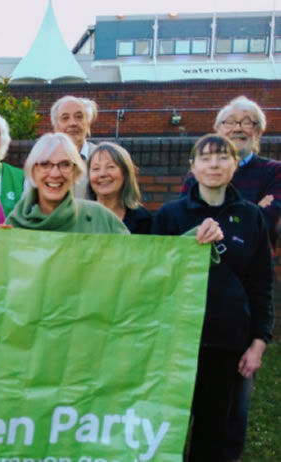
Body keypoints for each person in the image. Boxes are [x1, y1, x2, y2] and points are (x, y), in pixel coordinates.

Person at [153, 134, 273, 462]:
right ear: (192, 166)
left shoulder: (251, 218)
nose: (214, 164)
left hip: (226, 344)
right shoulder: (169, 215)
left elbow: (261, 283)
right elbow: (152, 277)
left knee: (212, 434)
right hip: (174, 343)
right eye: (205, 158)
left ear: (235, 165)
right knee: (164, 430)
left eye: (222, 157)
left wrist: (259, 340)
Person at [181, 96, 281, 247]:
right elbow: (185, 224)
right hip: (203, 264)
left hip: (252, 265)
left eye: (247, 122)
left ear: (259, 132)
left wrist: (212, 224)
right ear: (218, 130)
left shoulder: (275, 171)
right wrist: (253, 210)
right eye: (229, 122)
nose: (237, 128)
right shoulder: (197, 173)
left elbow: (264, 225)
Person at [5, 133, 129, 234]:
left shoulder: (101, 219)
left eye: (65, 164)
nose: (55, 174)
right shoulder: (14, 225)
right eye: (45, 164)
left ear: (75, 172)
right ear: (33, 170)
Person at [87, 142, 152, 234]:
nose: (102, 174)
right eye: (96, 168)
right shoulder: (79, 218)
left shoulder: (143, 220)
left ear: (125, 173)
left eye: (110, 167)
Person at [51, 96, 99, 199]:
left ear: (88, 124)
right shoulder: (43, 160)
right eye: (65, 118)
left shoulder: (101, 157)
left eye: (79, 117)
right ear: (55, 126)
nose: (72, 123)